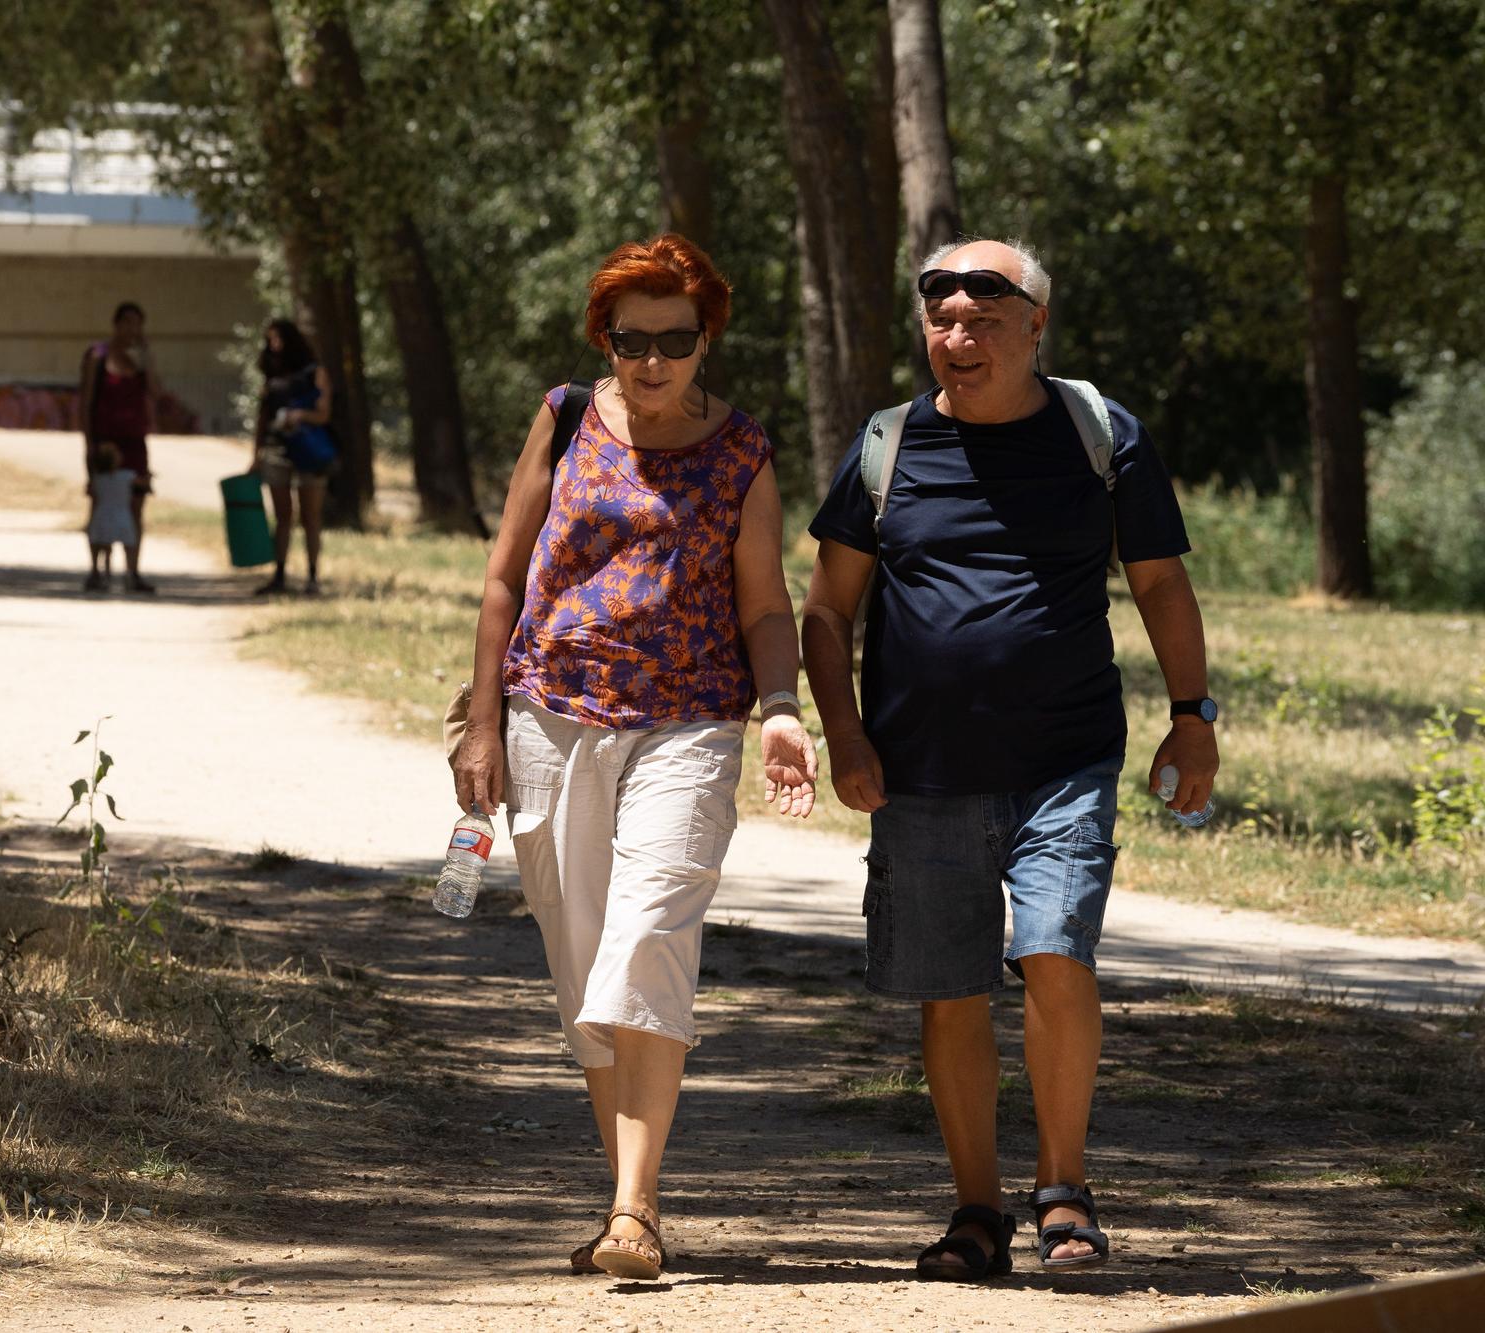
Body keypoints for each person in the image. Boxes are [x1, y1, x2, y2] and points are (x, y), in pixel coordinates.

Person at [801, 237, 1217, 1281]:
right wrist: (841, 730)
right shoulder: (886, 446)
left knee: (1053, 954)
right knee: (948, 991)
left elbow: (1159, 583)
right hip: (918, 766)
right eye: (939, 319)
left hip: (1064, 755)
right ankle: (974, 1209)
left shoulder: (1098, 434)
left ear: (1035, 325)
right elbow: (825, 610)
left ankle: (1062, 1190)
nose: (958, 337)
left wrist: (1190, 712)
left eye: (983, 320)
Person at [452, 234, 818, 1281]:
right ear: (602, 339)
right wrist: (483, 725)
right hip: (550, 718)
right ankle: (624, 1192)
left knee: (648, 933)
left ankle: (633, 1211)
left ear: (706, 339)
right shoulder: (566, 417)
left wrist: (783, 706)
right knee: (581, 964)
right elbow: (502, 579)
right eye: (630, 340)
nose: (651, 362)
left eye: (674, 340)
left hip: (689, 724)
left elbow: (763, 604)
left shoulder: (741, 450)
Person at [77, 301, 162, 593]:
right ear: (116, 324)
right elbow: (86, 401)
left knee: (136, 505)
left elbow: (155, 392)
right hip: (105, 442)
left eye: (137, 323)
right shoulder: (98, 356)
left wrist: (146, 358)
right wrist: (88, 443)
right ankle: (98, 570)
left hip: (135, 441)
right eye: (127, 322)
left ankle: (133, 571)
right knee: (102, 503)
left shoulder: (139, 361)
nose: (132, 329)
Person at [249, 319, 335, 595]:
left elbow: (324, 414)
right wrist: (256, 454)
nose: (274, 346)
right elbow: (261, 419)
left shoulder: (315, 373)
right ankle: (280, 575)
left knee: (310, 516)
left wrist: (298, 417)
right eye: (270, 340)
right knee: (282, 516)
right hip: (277, 452)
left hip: (309, 452)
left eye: (278, 339)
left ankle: (312, 577)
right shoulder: (271, 378)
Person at [84, 440, 138, 591]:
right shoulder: (127, 476)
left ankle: (102, 574)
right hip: (123, 516)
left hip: (103, 515)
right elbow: (141, 484)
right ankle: (129, 573)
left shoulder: (98, 480)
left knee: (105, 548)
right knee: (129, 546)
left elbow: (93, 498)